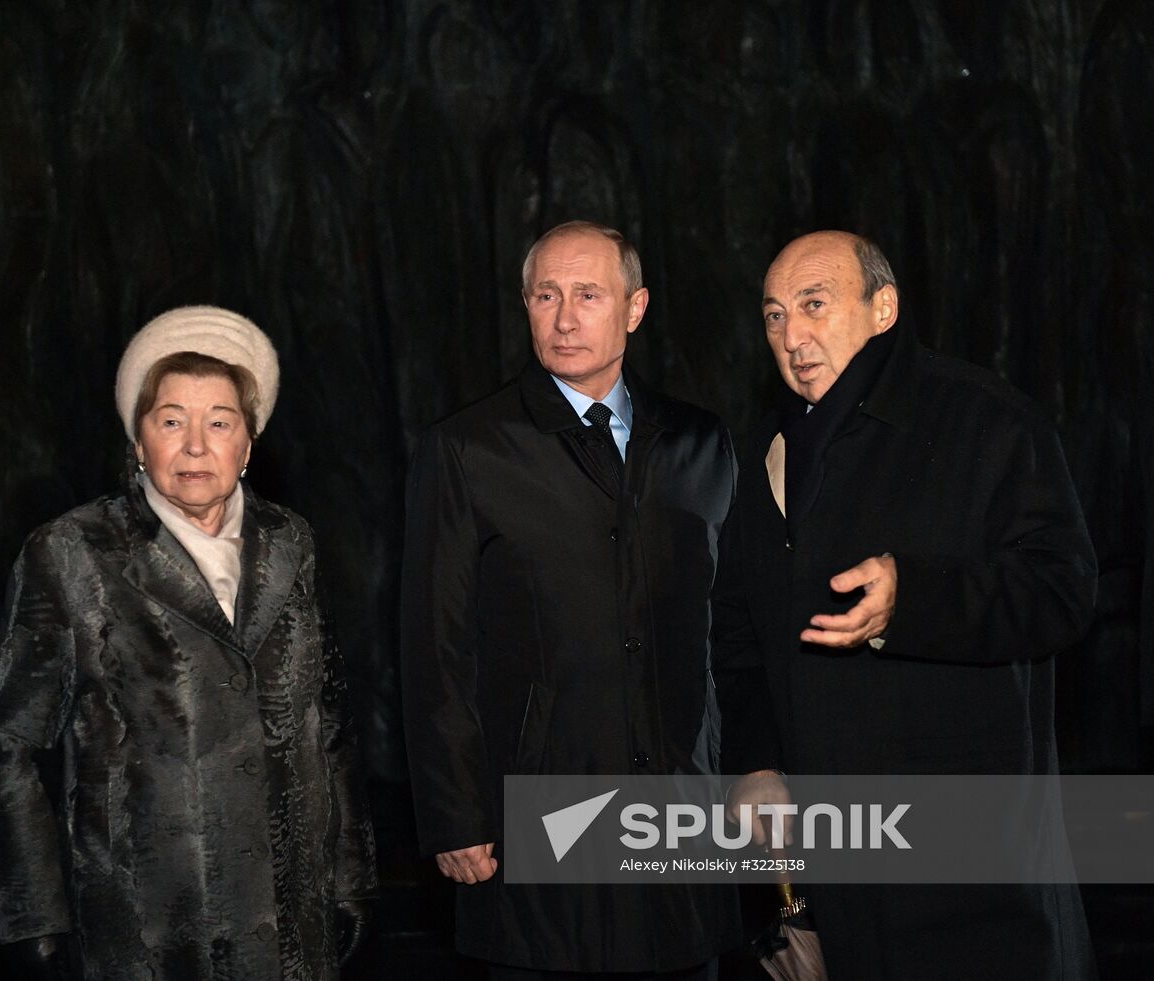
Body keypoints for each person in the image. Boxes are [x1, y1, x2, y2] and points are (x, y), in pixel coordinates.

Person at [712, 230, 1096, 979]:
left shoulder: (986, 420)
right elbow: (738, 638)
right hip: (833, 880)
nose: (792, 335)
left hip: (973, 876)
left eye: (815, 305)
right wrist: (756, 768)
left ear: (882, 307)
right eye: (774, 315)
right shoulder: (759, 453)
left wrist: (912, 600)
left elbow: (1065, 589)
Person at [0, 306, 378, 980]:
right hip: (151, 933)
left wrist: (349, 876)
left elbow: (331, 724)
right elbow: (14, 747)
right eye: (171, 421)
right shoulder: (74, 553)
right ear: (138, 441)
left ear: (249, 445)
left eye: (219, 422)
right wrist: (34, 918)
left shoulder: (293, 543)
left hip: (292, 930)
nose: (196, 445)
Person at [401, 220, 740, 978]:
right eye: (545, 295)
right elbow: (435, 644)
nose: (564, 317)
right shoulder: (468, 448)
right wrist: (455, 814)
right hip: (542, 811)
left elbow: (732, 631)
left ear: (636, 306)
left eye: (588, 294)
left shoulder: (701, 442)